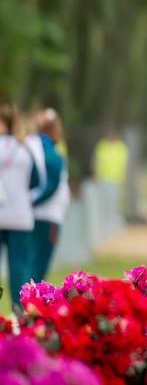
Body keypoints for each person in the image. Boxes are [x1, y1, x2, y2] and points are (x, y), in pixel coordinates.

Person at [0, 105, 39, 315]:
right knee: (18, 269)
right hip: (21, 217)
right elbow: (36, 180)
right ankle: (19, 314)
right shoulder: (25, 149)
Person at [25, 108, 71, 283]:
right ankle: (28, 305)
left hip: (38, 214)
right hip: (47, 215)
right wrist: (30, 201)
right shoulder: (50, 152)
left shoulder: (35, 145)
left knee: (31, 262)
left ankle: (25, 304)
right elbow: (50, 185)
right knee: (37, 266)